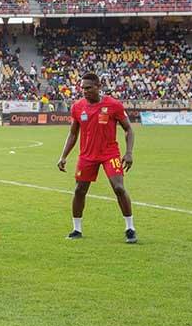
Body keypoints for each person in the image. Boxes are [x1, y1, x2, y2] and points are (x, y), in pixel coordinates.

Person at [57, 72, 137, 243]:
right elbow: (72, 134)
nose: (85, 91)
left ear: (98, 87)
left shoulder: (113, 105)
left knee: (119, 188)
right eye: (83, 88)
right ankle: (76, 229)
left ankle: (130, 228)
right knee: (79, 191)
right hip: (86, 156)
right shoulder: (78, 107)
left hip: (110, 154)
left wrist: (129, 152)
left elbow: (128, 129)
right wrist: (63, 156)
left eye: (89, 88)